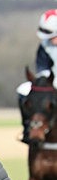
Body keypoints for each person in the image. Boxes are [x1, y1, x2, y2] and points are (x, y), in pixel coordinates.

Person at [18, 9, 57, 143]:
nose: (50, 40)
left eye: (53, 36)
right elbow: (43, 68)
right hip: (50, 82)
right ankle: (27, 129)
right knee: (22, 90)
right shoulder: (44, 46)